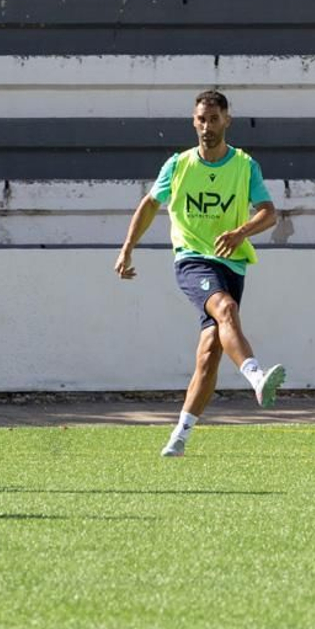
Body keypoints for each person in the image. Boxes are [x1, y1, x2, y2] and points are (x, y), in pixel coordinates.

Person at [114, 89, 286, 457]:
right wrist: (128, 247)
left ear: (227, 120)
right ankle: (256, 376)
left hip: (232, 262)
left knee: (209, 353)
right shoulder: (178, 166)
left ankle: (180, 435)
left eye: (213, 119)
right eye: (200, 120)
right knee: (225, 309)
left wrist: (241, 232)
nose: (206, 127)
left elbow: (269, 212)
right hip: (192, 259)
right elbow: (150, 205)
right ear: (193, 121)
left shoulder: (244, 165)